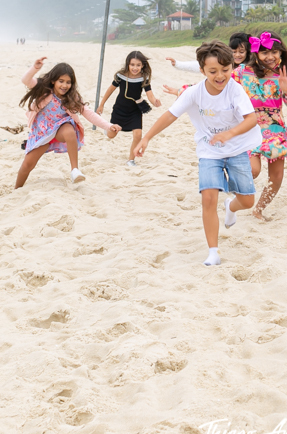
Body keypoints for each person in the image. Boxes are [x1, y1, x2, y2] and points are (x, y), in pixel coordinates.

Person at [134, 41, 260, 266]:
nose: (220, 76)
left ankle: (231, 207)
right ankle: (213, 251)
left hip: (237, 148)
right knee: (208, 198)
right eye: (213, 71)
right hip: (209, 150)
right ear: (202, 70)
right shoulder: (194, 93)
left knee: (248, 201)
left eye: (225, 70)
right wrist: (146, 137)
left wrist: (229, 134)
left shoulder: (235, 89)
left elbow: (252, 119)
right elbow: (170, 115)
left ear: (232, 67)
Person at [16, 56, 118, 189]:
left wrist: (109, 126)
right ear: (53, 81)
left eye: (68, 82)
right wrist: (35, 68)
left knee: (70, 130)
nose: (64, 86)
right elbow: (26, 80)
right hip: (42, 132)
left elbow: (88, 113)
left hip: (60, 129)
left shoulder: (72, 97)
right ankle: (17, 189)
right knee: (27, 165)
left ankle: (75, 170)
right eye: (61, 81)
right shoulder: (44, 90)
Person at [239, 31, 287, 220]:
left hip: (275, 130)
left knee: (277, 177)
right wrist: (183, 91)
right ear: (256, 53)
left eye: (275, 52)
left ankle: (259, 209)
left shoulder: (284, 75)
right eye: (265, 52)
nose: (270, 57)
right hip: (249, 128)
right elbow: (217, 83)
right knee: (253, 171)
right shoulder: (242, 72)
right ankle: (236, 195)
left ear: (281, 53)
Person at [95, 51, 162, 166]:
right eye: (132, 65)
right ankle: (107, 128)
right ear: (128, 64)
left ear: (142, 66)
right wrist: (101, 104)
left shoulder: (144, 78)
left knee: (138, 134)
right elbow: (110, 90)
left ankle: (131, 160)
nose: (135, 68)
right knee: (111, 135)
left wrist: (155, 102)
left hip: (135, 110)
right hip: (120, 109)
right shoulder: (120, 76)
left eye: (138, 65)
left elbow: (150, 95)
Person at [163, 32, 251, 92]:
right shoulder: (224, 62)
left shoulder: (250, 68)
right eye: (234, 51)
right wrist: (178, 64)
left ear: (248, 52)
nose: (237, 55)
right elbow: (199, 66)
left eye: (241, 52)